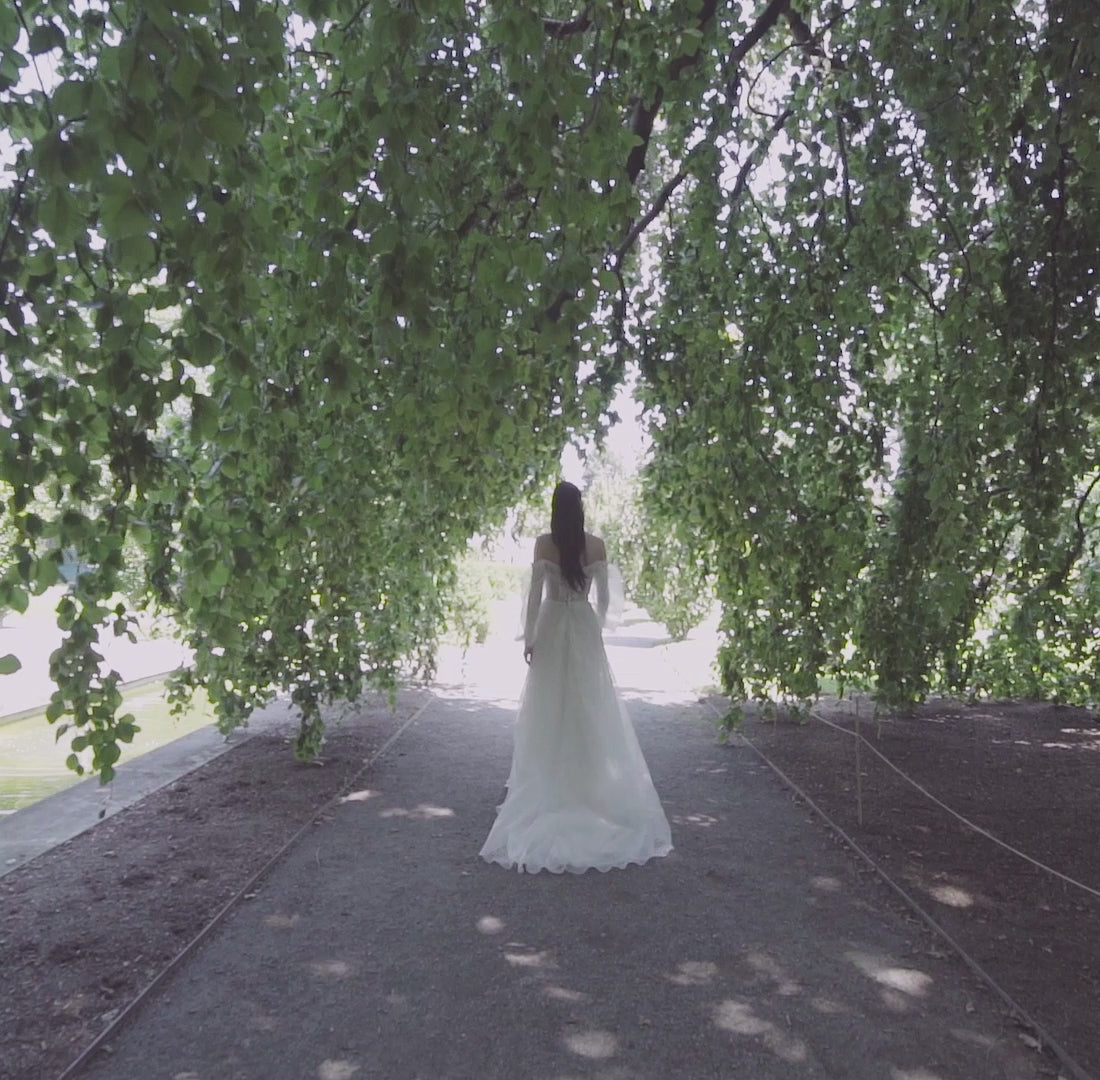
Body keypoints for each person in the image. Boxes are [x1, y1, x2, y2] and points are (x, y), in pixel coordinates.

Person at [479, 481, 673, 874]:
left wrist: (530, 637)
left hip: (552, 624)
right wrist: (594, 624)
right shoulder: (596, 545)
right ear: (580, 507)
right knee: (589, 704)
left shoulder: (544, 544)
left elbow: (534, 596)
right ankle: (592, 784)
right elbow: (604, 598)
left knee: (549, 706)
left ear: (555, 509)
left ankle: (549, 780)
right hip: (581, 624)